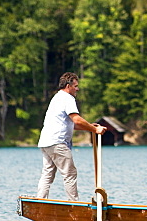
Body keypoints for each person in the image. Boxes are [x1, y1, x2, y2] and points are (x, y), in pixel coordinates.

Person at [36, 72, 106, 201]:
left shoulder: (57, 97)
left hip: (46, 142)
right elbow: (77, 120)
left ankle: (40, 200)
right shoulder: (68, 98)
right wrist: (95, 130)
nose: (77, 89)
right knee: (70, 173)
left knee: (48, 173)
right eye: (76, 86)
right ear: (68, 86)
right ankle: (74, 204)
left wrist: (91, 127)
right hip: (58, 142)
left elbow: (73, 124)